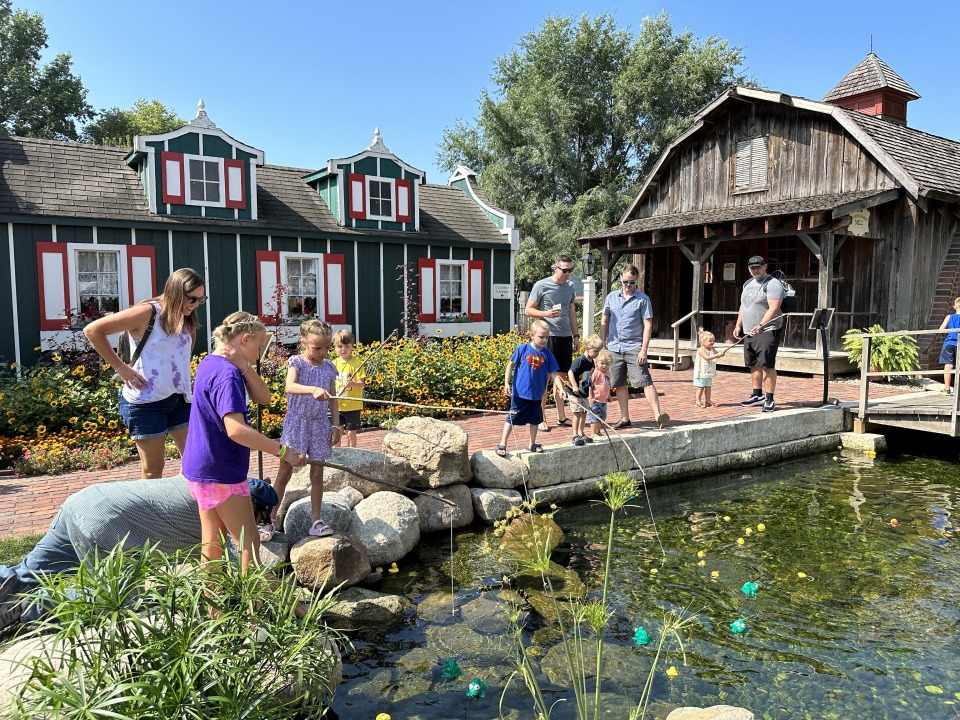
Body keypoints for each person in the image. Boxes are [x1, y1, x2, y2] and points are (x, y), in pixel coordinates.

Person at [0, 476, 279, 633]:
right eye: (259, 517)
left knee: (27, 575)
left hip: (83, 502)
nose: (256, 524)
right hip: (108, 527)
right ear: (250, 503)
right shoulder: (224, 504)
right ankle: (26, 608)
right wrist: (295, 605)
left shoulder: (206, 480)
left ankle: (9, 589)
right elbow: (246, 571)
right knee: (117, 601)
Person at [182, 312, 307, 576]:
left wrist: (245, 367)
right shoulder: (227, 375)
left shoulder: (211, 362)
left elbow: (265, 398)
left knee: (212, 546)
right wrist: (283, 451)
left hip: (202, 467)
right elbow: (236, 430)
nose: (259, 353)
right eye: (258, 347)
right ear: (246, 338)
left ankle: (213, 611)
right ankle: (257, 613)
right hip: (222, 470)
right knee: (248, 544)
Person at [84, 268, 206, 478]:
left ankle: (188, 508)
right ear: (176, 291)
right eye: (191, 299)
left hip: (180, 399)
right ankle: (152, 511)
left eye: (200, 300)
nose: (194, 305)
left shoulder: (187, 320)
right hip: (145, 401)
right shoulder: (147, 312)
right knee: (153, 469)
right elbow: (93, 330)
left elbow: (180, 358)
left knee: (195, 461)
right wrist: (121, 368)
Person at [269, 319, 341, 540]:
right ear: (303, 343)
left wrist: (336, 424)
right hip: (297, 423)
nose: (322, 352)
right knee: (284, 473)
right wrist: (313, 390)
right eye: (317, 347)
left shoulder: (329, 367)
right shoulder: (296, 363)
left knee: (317, 473)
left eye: (327, 348)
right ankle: (270, 519)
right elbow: (289, 386)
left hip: (319, 424)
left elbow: (333, 399)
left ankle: (316, 520)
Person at [600, 264, 669, 430]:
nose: (628, 285)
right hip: (614, 347)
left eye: (631, 282)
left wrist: (644, 349)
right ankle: (625, 418)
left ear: (636, 281)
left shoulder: (643, 299)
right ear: (620, 279)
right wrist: (603, 345)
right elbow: (604, 321)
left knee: (645, 380)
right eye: (625, 282)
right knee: (619, 383)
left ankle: (658, 416)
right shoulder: (611, 297)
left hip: (634, 347)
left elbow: (647, 325)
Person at [526, 254, 578, 430]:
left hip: (565, 336)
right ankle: (540, 418)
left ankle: (561, 416)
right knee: (544, 378)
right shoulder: (541, 285)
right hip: (548, 337)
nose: (567, 274)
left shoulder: (570, 286)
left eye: (570, 270)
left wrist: (576, 335)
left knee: (561, 378)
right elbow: (528, 310)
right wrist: (546, 314)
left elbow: (571, 312)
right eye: (564, 270)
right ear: (555, 268)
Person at [496, 320, 559, 457]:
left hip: (537, 394)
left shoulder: (547, 354)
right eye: (541, 337)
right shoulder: (523, 349)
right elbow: (510, 365)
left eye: (546, 337)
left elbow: (554, 373)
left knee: (536, 419)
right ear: (532, 335)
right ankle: (502, 443)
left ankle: (532, 443)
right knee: (512, 417)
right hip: (520, 393)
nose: (544, 340)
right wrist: (506, 383)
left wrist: (561, 388)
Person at [734, 256, 784, 413]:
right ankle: (757, 395)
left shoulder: (773, 284)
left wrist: (761, 325)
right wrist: (738, 325)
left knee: (767, 364)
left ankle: (769, 399)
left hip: (767, 330)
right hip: (749, 331)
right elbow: (744, 305)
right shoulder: (747, 284)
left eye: (758, 267)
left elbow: (774, 307)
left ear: (765, 267)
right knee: (753, 363)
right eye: (752, 268)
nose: (755, 270)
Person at [567, 334, 603, 446]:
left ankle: (581, 432)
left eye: (598, 351)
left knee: (584, 413)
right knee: (577, 413)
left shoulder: (591, 361)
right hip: (574, 392)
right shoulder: (580, 361)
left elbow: (589, 376)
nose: (597, 354)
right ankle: (574, 435)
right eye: (595, 351)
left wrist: (592, 387)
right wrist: (574, 386)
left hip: (584, 392)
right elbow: (570, 372)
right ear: (587, 349)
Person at [332, 329, 365, 447]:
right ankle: (337, 453)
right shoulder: (333, 364)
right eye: (339, 346)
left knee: (351, 433)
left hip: (353, 406)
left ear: (352, 346)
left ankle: (353, 451)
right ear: (335, 347)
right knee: (338, 432)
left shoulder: (356, 364)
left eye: (347, 346)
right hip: (337, 406)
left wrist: (352, 384)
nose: (343, 349)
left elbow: (361, 385)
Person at [694, 329, 726, 408]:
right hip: (701, 372)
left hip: (708, 372)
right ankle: (698, 401)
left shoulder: (712, 349)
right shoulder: (700, 350)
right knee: (701, 387)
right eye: (710, 341)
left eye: (713, 341)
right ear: (703, 342)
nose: (712, 342)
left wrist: (721, 354)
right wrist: (717, 355)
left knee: (708, 387)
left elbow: (716, 354)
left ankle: (708, 401)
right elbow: (707, 357)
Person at [587, 349, 613, 440]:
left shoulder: (608, 373)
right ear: (596, 362)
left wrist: (609, 395)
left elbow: (608, 385)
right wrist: (590, 396)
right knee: (594, 417)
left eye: (606, 364)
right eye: (602, 363)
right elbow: (591, 385)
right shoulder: (596, 373)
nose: (604, 366)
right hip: (595, 399)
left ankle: (598, 431)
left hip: (603, 400)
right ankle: (593, 433)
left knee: (601, 417)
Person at [938, 297, 960, 395]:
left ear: (955, 306)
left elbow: (940, 329)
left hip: (949, 343)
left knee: (948, 366)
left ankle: (947, 389)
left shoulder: (949, 317)